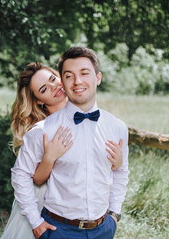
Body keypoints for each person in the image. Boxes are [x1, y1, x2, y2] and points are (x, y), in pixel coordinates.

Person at [0, 61, 123, 239]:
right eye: (44, 89)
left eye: (53, 79)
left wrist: (117, 164)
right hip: (45, 202)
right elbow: (36, 179)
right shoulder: (43, 131)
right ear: (39, 101)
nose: (54, 87)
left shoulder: (90, 116)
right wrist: (50, 157)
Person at [11, 47, 129, 239]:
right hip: (59, 230)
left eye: (84, 73)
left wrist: (114, 214)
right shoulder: (43, 131)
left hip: (103, 229)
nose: (77, 81)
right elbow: (24, 174)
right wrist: (36, 222)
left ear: (98, 78)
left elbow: (121, 171)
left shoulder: (116, 127)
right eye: (69, 76)